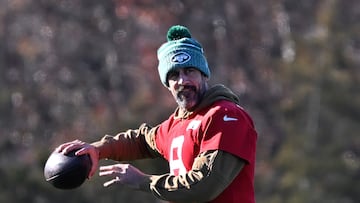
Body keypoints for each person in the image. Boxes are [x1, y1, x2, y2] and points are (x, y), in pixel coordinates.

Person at [56, 25, 258, 203]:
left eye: (190, 71)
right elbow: (142, 141)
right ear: (167, 85)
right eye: (174, 75)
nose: (182, 81)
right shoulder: (177, 124)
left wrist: (143, 181)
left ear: (204, 74)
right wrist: (97, 150)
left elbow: (204, 185)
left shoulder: (225, 117)